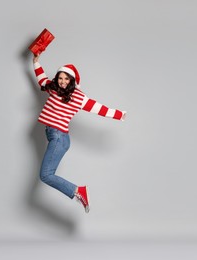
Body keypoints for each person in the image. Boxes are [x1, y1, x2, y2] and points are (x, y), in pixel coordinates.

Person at [32, 53, 126, 213]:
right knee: (47, 174)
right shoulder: (53, 89)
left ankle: (78, 191)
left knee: (46, 175)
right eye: (60, 78)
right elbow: (41, 79)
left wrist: (119, 115)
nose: (62, 82)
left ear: (72, 81)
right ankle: (78, 192)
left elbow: (98, 108)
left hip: (59, 138)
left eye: (66, 79)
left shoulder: (77, 97)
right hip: (55, 136)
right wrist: (36, 62)